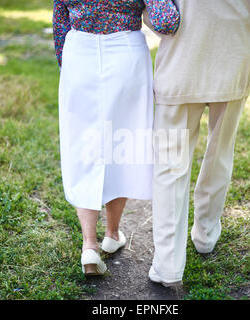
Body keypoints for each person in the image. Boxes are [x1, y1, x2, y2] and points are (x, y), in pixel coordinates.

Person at [146, 0, 250, 286]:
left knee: (169, 166)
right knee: (220, 152)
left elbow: (153, 12)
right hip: (233, 65)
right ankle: (205, 235)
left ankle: (168, 265)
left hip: (179, 66)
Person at [53, 0, 179, 276]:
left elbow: (60, 24)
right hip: (126, 53)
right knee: (122, 142)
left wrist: (70, 65)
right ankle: (112, 233)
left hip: (79, 53)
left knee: (84, 144)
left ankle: (89, 245)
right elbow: (166, 21)